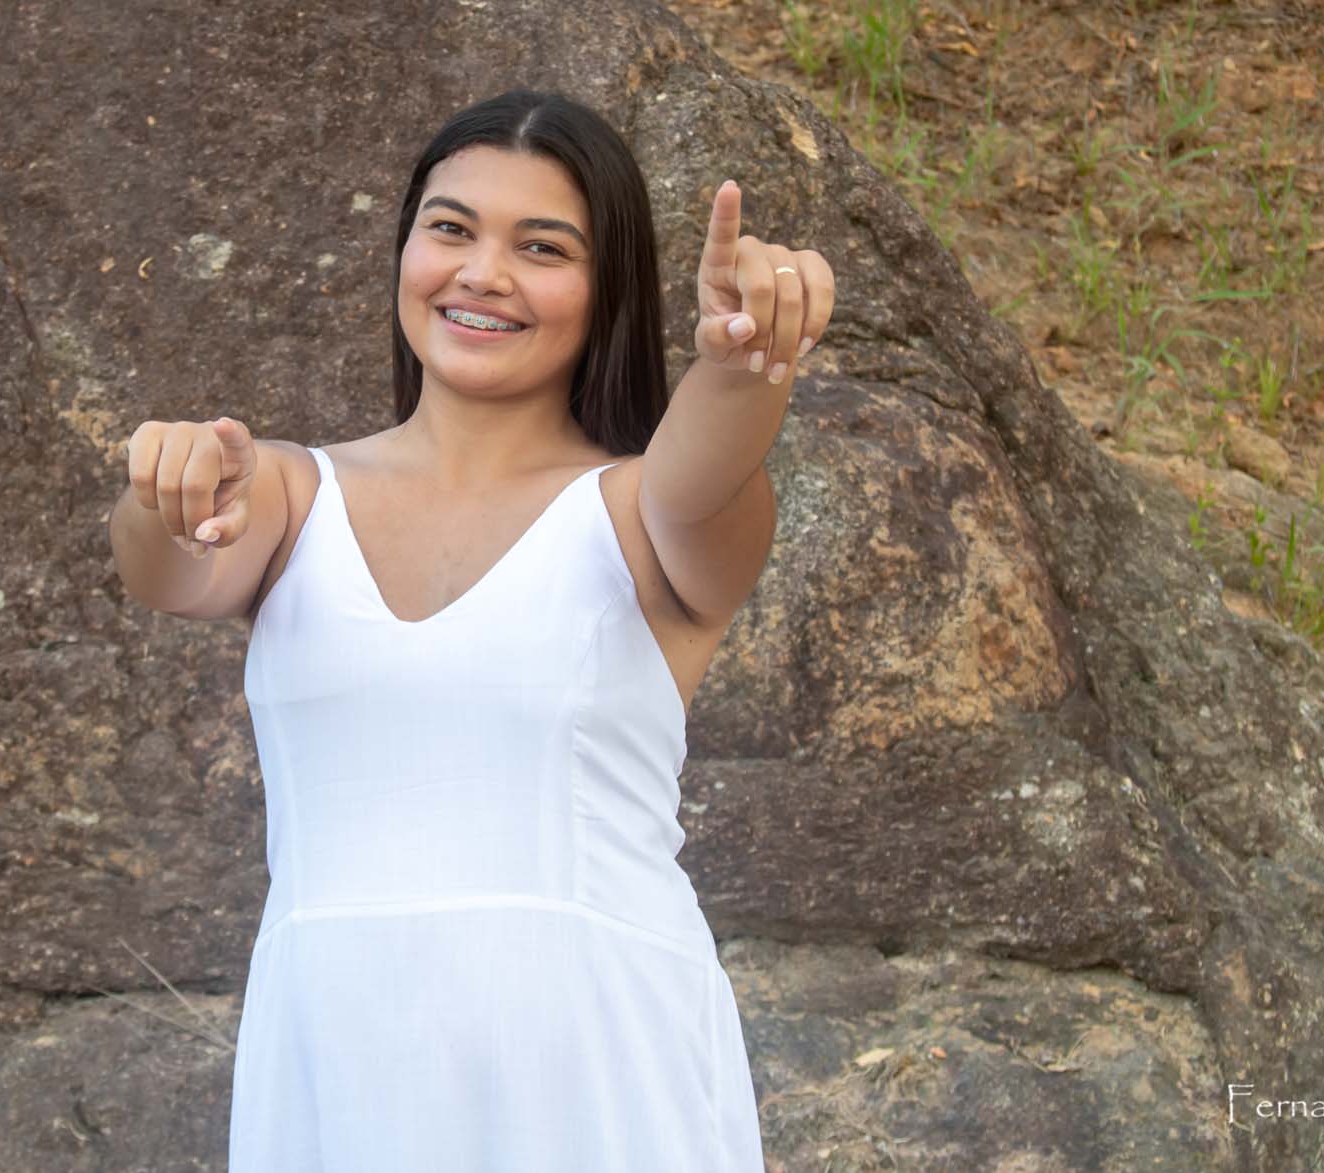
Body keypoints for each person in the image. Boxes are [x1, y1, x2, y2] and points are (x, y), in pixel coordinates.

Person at [111, 89, 833, 1171]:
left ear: (606, 289)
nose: (482, 273)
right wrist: (163, 485)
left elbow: (703, 472)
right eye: (450, 229)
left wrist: (740, 360)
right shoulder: (291, 496)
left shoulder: (640, 513)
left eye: (541, 247)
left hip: (592, 1066)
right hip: (335, 1058)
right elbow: (168, 567)